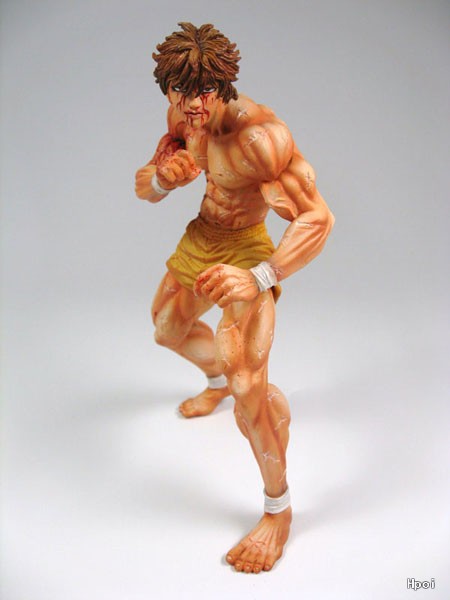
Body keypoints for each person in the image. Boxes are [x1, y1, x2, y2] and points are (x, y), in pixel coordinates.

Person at [135, 22, 334, 573]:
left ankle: (278, 511)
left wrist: (261, 276)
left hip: (247, 251)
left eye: (203, 92)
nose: (192, 105)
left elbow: (318, 218)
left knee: (250, 386)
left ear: (222, 85)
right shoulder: (182, 117)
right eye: (181, 92)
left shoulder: (258, 139)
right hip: (203, 236)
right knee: (166, 329)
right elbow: (145, 187)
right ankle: (216, 382)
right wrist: (164, 178)